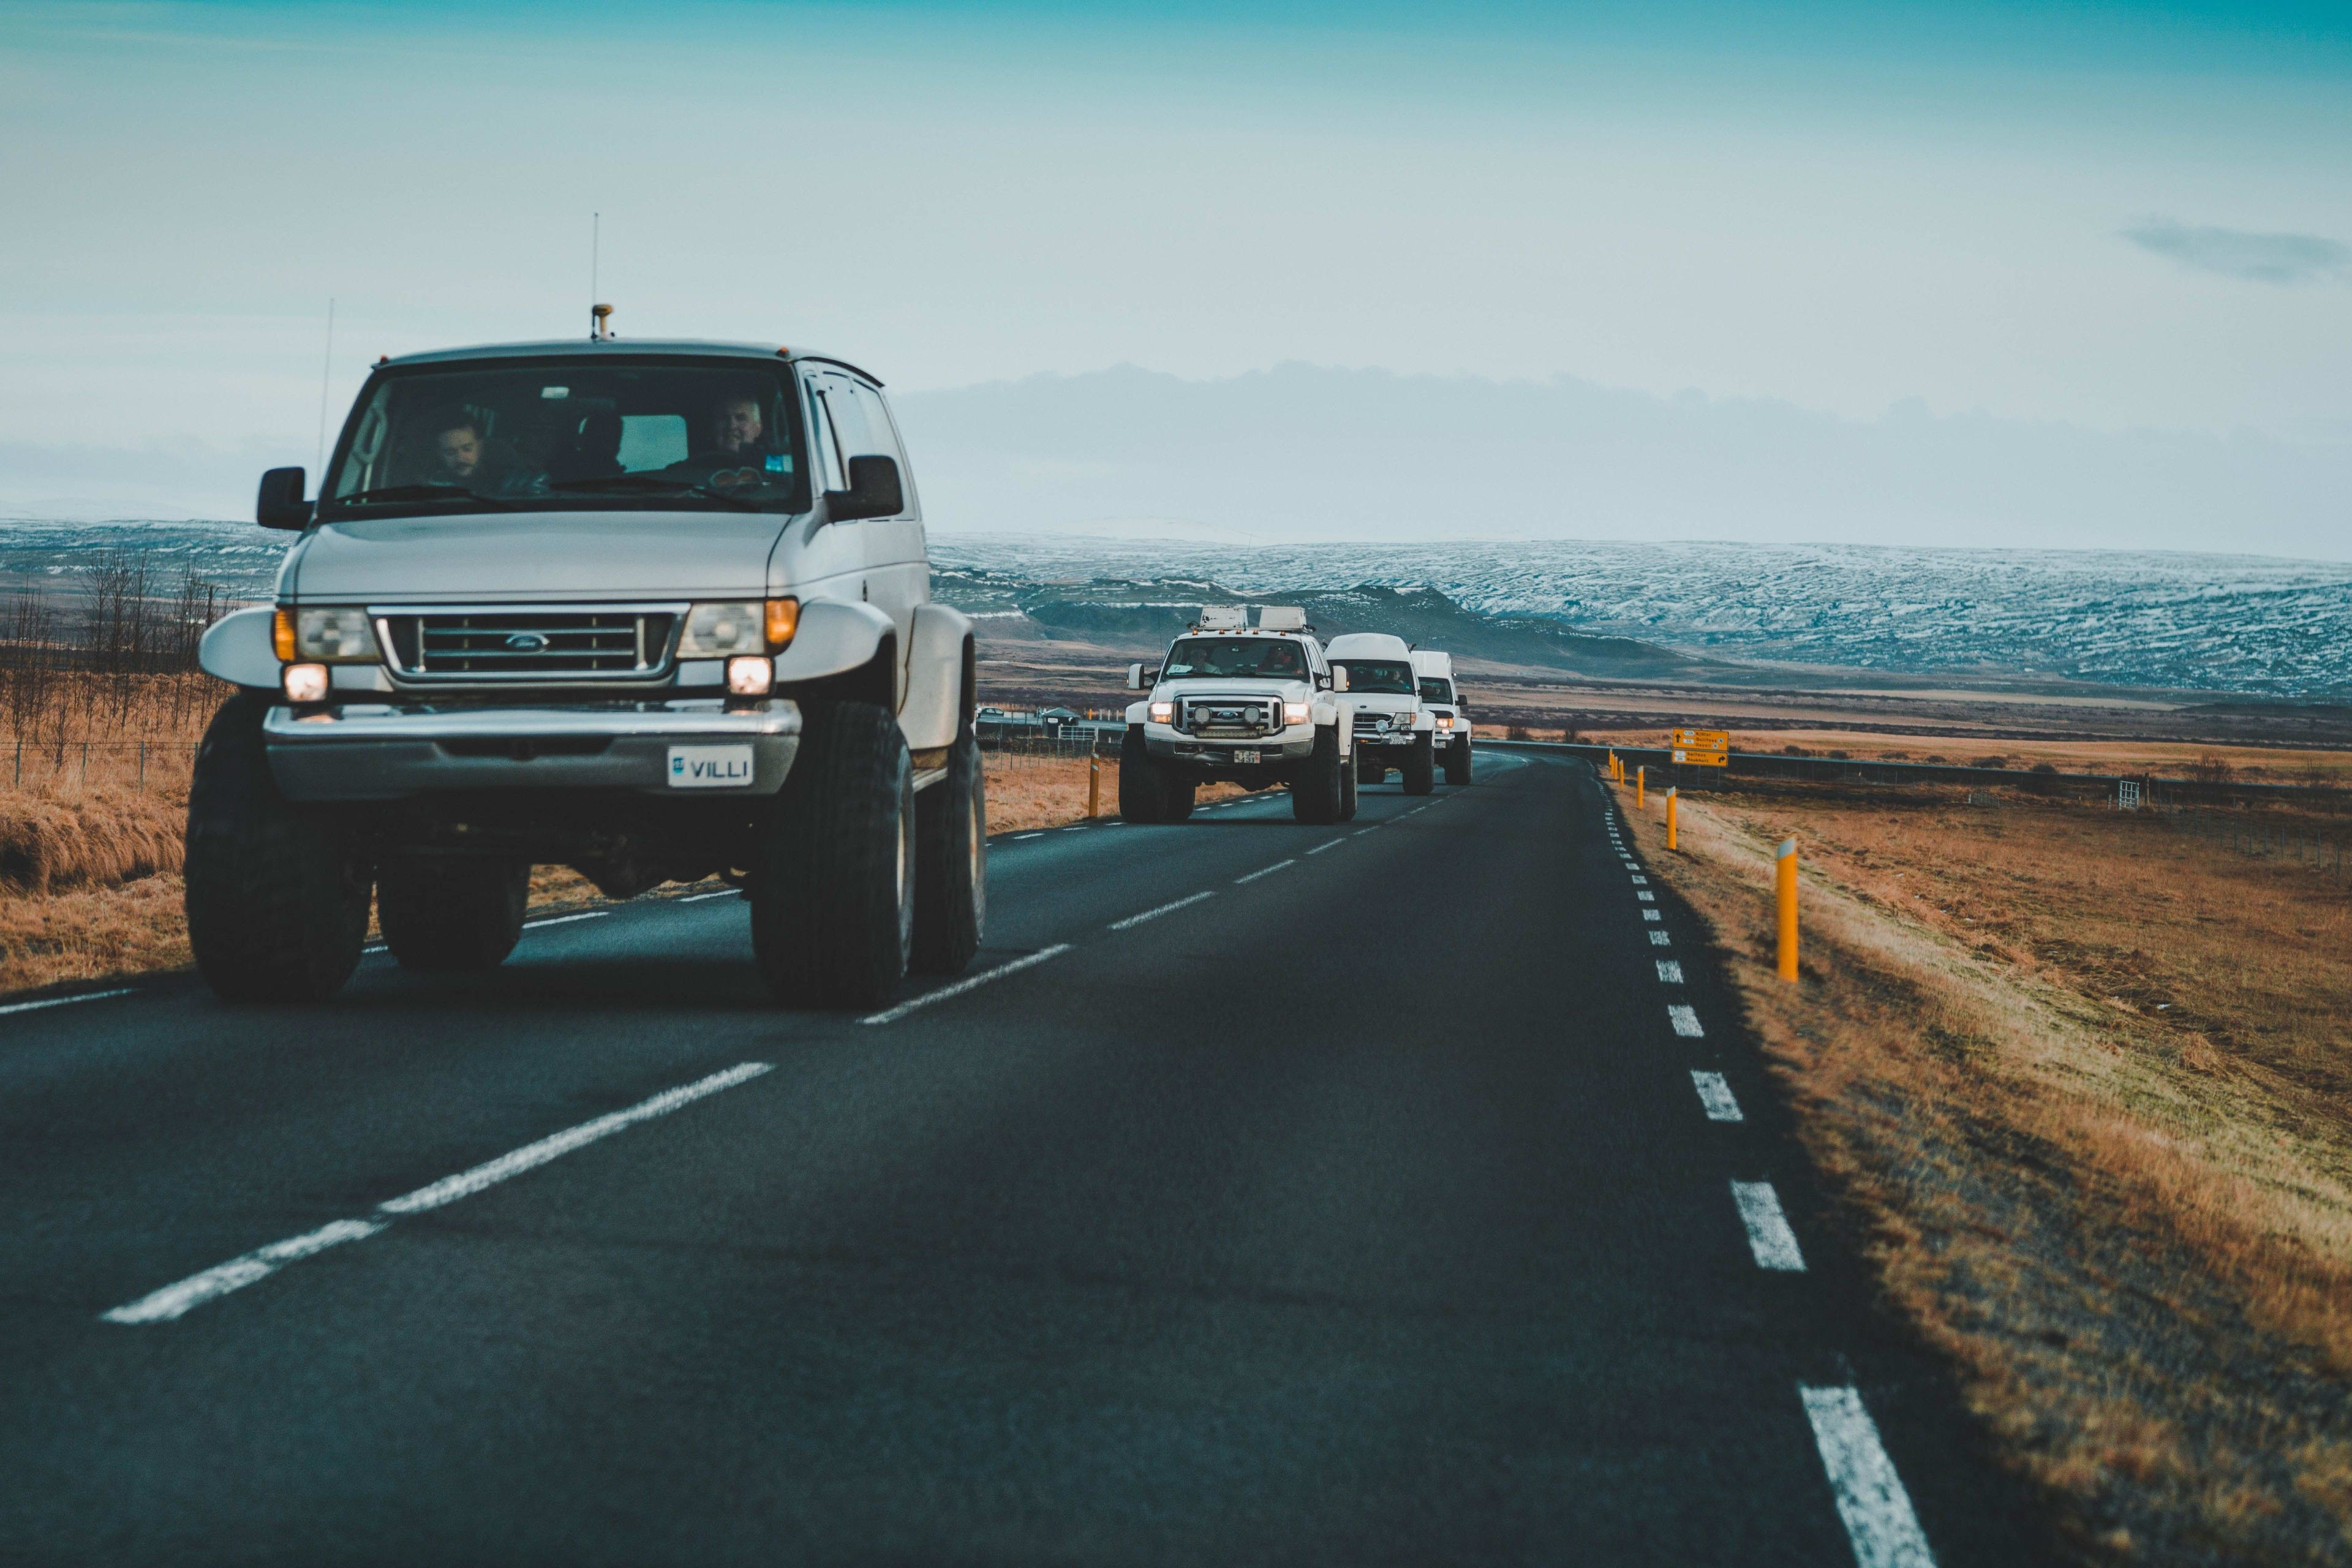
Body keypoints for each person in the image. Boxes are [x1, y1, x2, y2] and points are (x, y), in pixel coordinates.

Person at [423, 407, 547, 496]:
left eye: (467, 449)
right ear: (439, 454)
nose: (460, 458)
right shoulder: (430, 491)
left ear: (480, 447)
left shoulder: (511, 479)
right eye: (450, 452)